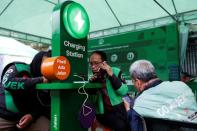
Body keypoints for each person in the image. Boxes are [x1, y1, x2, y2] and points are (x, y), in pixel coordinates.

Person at [123, 59, 197, 131]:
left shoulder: (138, 104)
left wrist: (129, 111)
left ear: (138, 82)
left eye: (133, 82)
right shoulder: (181, 85)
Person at [0, 50, 51, 131]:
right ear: (37, 60)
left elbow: (44, 104)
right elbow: (7, 83)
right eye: (45, 63)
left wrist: (32, 116)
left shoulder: (48, 79)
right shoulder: (19, 67)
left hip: (28, 117)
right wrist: (39, 80)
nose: (46, 67)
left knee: (48, 127)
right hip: (5, 116)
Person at [89, 51, 130, 131]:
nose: (93, 66)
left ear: (104, 63)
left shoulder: (115, 71)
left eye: (96, 63)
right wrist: (93, 85)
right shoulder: (93, 79)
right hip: (103, 112)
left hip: (119, 108)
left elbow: (123, 91)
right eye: (91, 64)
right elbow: (93, 101)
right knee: (120, 126)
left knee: (130, 124)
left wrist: (111, 75)